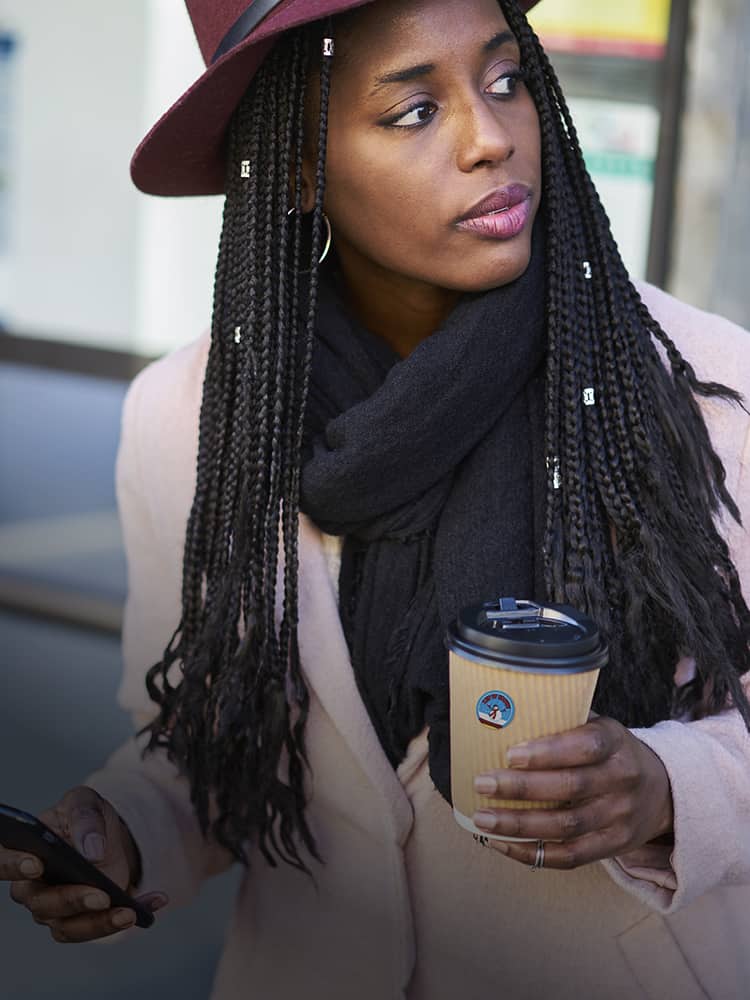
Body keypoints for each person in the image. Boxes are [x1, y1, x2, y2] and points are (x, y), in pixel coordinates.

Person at [3, 0, 750, 996]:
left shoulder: (704, 386)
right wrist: (125, 827)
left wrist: (667, 789)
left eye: (504, 80)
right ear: (303, 170)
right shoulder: (187, 419)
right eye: (414, 112)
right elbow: (206, 742)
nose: (493, 139)